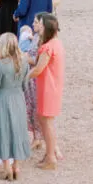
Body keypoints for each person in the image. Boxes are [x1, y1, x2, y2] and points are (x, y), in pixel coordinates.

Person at [0, 33, 31, 181]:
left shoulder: (1, 64)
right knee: (17, 130)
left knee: (3, 130)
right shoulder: (24, 62)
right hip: (18, 98)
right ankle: (16, 167)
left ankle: (7, 168)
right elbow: (25, 84)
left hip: (3, 99)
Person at [28, 12, 64, 170]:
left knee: (46, 122)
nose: (38, 28)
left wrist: (22, 77)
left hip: (47, 89)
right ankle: (50, 153)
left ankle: (50, 157)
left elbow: (38, 69)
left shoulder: (47, 47)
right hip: (53, 86)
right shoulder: (57, 43)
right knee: (47, 122)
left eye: (40, 25)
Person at [19, 23, 42, 149]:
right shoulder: (36, 37)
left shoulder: (40, 40)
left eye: (36, 22)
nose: (33, 24)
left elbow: (35, 60)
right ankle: (36, 136)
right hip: (31, 77)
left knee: (36, 107)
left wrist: (23, 56)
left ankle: (38, 137)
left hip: (34, 77)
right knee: (32, 106)